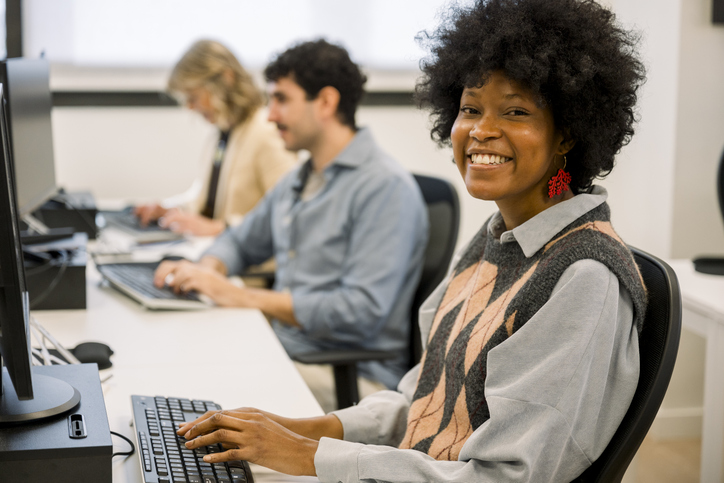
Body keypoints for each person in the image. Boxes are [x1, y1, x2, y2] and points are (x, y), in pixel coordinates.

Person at [171, 0, 649, 481]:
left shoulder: (583, 277)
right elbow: (422, 400)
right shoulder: (496, 241)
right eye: (470, 109)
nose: (481, 130)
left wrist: (306, 455)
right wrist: (301, 430)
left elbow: (504, 476)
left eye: (516, 111)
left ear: (567, 134)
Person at [154, 40, 429, 394]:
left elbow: (360, 312)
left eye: (281, 99)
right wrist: (208, 271)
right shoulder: (299, 179)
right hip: (289, 350)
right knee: (180, 358)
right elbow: (240, 241)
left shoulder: (385, 188)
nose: (269, 115)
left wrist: (244, 297)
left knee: (197, 383)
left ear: (326, 102)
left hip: (348, 374)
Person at [134, 40, 296, 236]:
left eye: (194, 97)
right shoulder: (223, 133)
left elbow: (288, 214)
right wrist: (168, 209)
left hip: (253, 263)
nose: (191, 107)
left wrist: (218, 228)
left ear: (226, 80)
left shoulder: (266, 132)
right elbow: (206, 202)